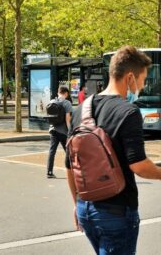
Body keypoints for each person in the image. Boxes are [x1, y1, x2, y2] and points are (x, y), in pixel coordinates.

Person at [66, 45, 161, 255]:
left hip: (85, 207)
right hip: (116, 211)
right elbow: (139, 165)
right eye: (143, 79)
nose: (142, 86)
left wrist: (77, 205)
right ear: (129, 78)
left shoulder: (81, 109)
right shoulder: (128, 112)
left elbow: (71, 165)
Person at [46, 86, 72, 179]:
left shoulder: (52, 102)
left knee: (52, 151)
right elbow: (68, 119)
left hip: (52, 130)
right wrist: (70, 132)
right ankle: (72, 171)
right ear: (65, 93)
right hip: (63, 132)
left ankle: (49, 172)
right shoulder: (67, 103)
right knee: (69, 152)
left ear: (58, 92)